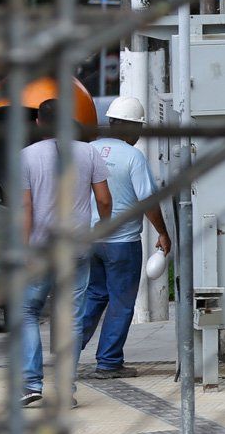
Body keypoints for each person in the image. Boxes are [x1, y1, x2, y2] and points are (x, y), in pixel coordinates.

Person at [19, 98, 110, 408]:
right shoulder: (89, 152)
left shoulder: (26, 157)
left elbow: (25, 207)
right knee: (72, 319)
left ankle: (31, 383)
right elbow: (104, 199)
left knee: (27, 311)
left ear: (39, 123)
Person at [75, 96, 172, 378]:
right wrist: (163, 233)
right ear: (128, 127)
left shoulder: (87, 150)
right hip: (122, 243)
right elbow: (148, 201)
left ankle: (68, 353)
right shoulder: (133, 157)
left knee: (94, 295)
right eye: (138, 127)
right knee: (121, 302)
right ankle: (108, 362)